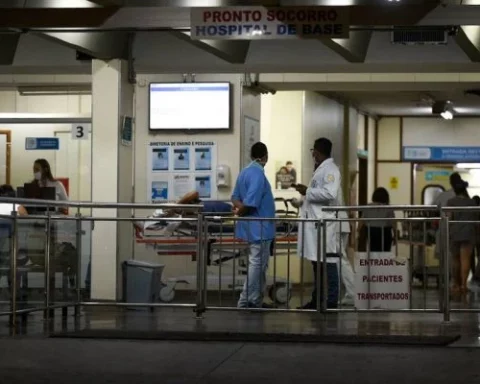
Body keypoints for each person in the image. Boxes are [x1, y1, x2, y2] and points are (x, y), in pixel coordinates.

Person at [293, 138, 341, 309]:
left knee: (328, 263)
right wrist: (305, 194)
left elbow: (329, 194)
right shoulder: (321, 170)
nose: (312, 154)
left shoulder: (330, 170)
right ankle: (317, 300)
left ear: (317, 152)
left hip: (324, 225)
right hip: (316, 225)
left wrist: (308, 191)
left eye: (313, 150)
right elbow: (317, 194)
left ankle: (332, 300)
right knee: (317, 264)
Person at [231, 142, 275, 308]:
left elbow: (234, 197)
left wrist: (238, 208)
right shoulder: (257, 173)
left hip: (252, 227)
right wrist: (240, 211)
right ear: (265, 156)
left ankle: (255, 300)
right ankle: (245, 300)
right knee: (257, 265)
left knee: (260, 265)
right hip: (260, 228)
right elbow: (251, 203)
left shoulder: (244, 172)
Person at [447, 180, 478, 295]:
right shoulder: (472, 202)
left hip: (455, 232)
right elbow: (476, 218)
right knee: (465, 259)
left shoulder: (451, 202)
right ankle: (464, 285)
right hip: (469, 232)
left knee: (455, 259)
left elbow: (448, 217)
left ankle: (455, 284)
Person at [433, 172, 465, 259]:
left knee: (444, 258)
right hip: (459, 230)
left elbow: (434, 209)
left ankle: (445, 272)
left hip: (444, 228)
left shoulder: (443, 195)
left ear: (450, 183)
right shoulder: (463, 197)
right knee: (455, 257)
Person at [358, 187, 396, 252]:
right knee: (385, 252)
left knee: (373, 251)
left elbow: (361, 221)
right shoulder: (388, 208)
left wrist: (358, 232)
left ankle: (374, 261)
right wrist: (395, 235)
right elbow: (393, 223)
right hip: (385, 232)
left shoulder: (368, 206)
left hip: (371, 232)